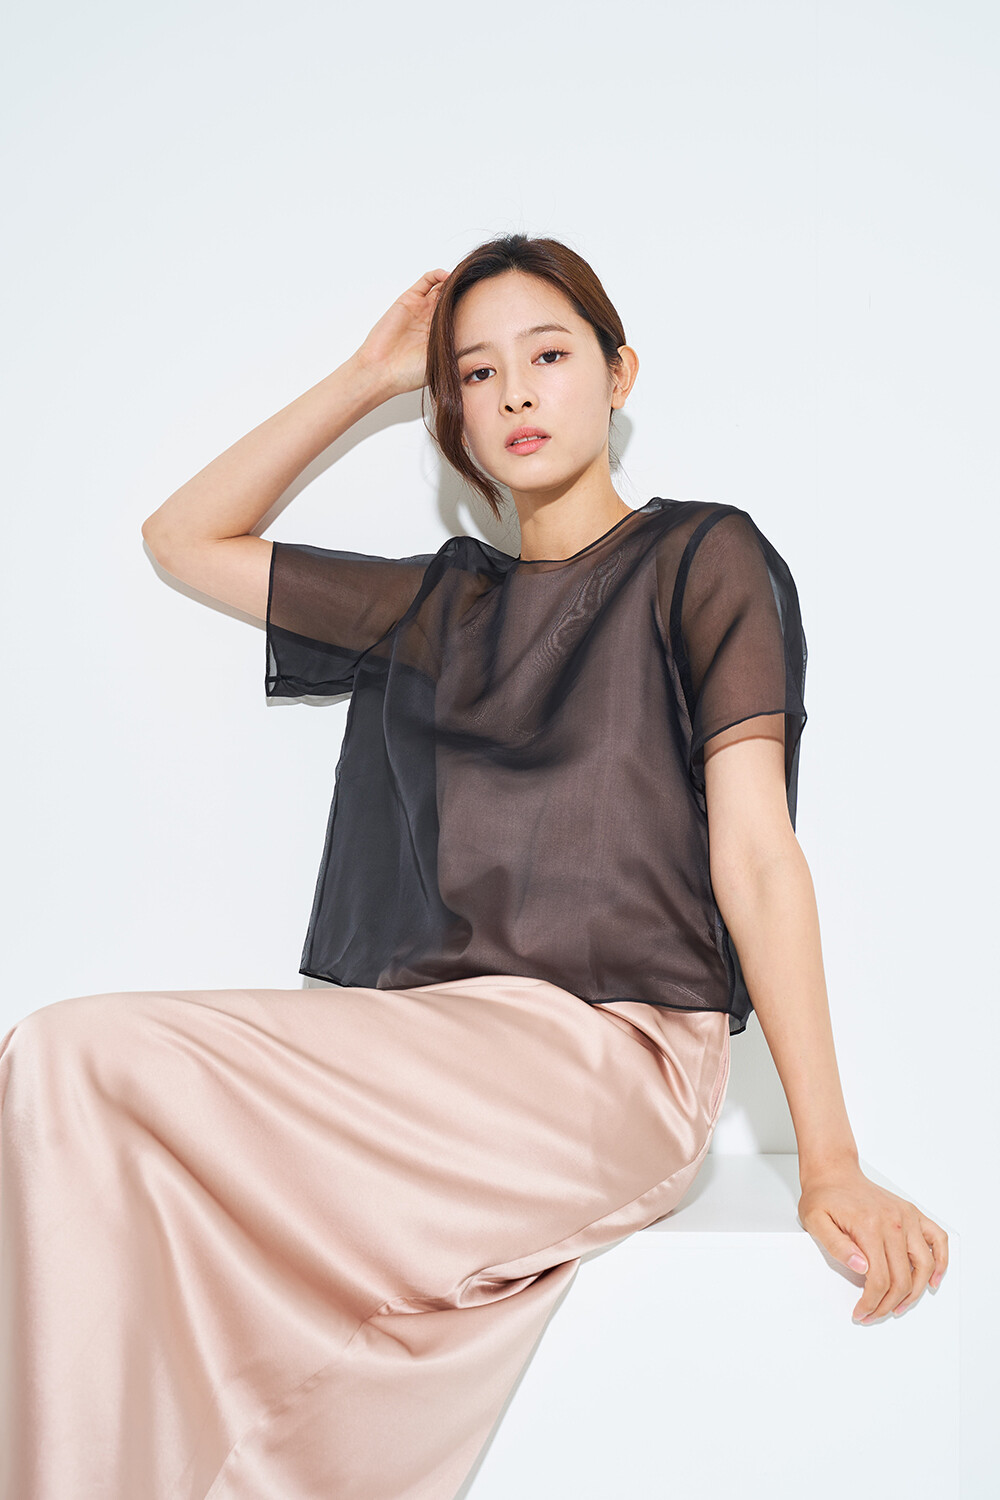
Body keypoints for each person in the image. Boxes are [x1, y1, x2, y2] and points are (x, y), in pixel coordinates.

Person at [0, 234, 948, 1499]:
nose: (513, 394)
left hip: (616, 1065)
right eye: (475, 374)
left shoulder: (700, 558)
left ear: (617, 375)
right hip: (442, 1048)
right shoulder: (435, 611)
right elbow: (182, 537)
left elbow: (758, 856)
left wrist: (828, 1160)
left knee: (114, 1098)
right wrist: (365, 377)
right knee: (62, 1057)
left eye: (547, 356)